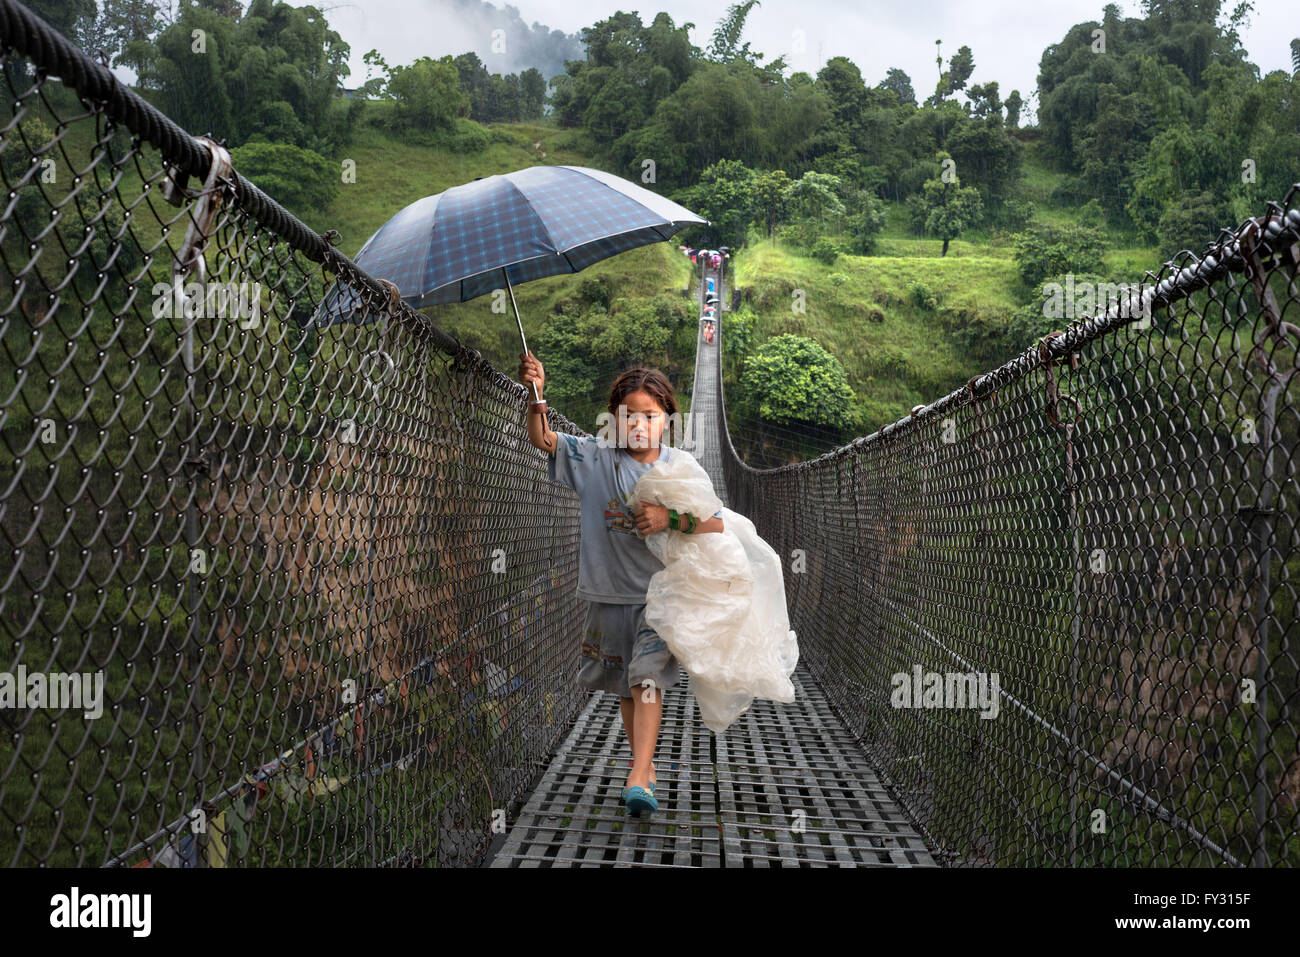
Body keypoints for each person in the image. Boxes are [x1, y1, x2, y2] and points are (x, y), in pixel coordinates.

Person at [518, 354, 724, 816]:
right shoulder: (594, 458)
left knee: (647, 680)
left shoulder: (680, 467)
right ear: (614, 419)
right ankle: (643, 771)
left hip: (662, 598)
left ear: (668, 419)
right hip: (607, 597)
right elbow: (543, 439)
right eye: (628, 415)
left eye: (649, 415)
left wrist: (668, 517)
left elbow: (717, 525)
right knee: (628, 690)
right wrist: (536, 395)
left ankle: (638, 773)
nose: (637, 424)